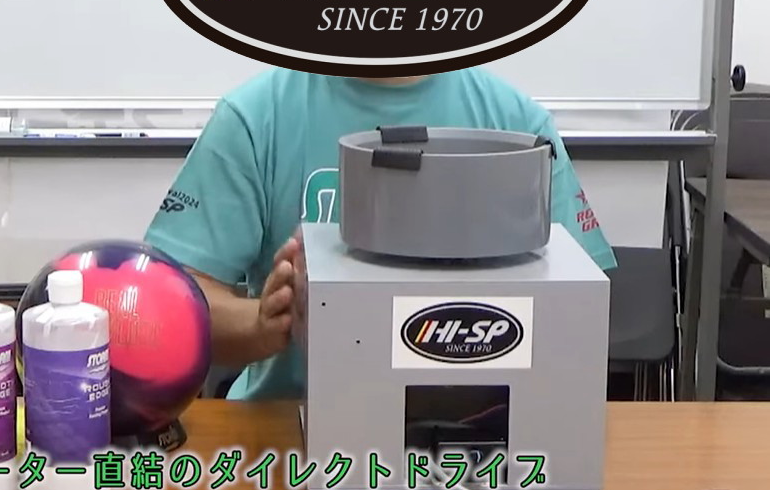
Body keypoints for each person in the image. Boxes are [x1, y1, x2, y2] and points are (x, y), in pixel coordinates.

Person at [143, 67, 617, 401]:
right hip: (292, 428)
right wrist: (262, 324)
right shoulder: (255, 115)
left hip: (487, 439)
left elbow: (582, 308)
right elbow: (166, 302)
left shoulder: (517, 124)